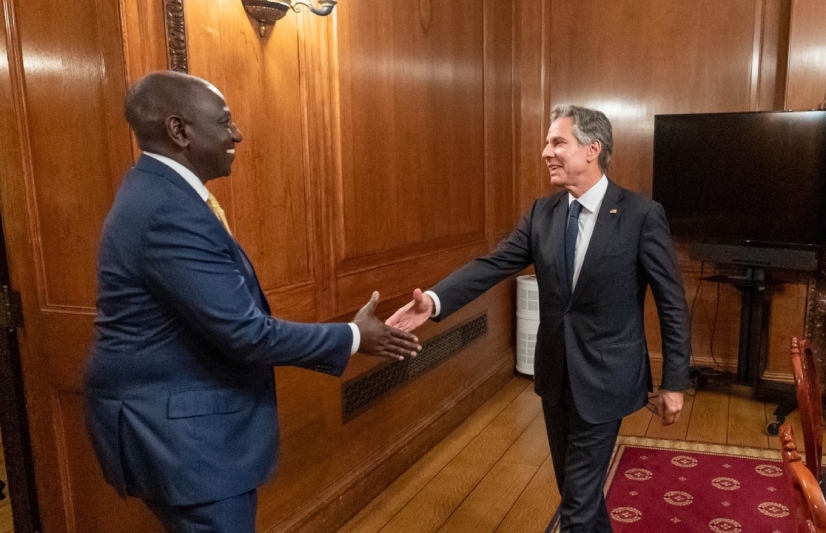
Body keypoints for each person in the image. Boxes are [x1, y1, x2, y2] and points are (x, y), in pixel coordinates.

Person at [83, 70, 421, 533]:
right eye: (224, 122)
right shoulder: (166, 210)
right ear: (179, 130)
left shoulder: (161, 192)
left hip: (184, 430)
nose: (236, 133)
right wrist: (354, 335)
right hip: (185, 440)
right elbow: (244, 332)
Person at [387, 105, 690, 533]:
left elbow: (672, 302)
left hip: (608, 377)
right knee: (574, 490)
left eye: (557, 142)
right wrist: (433, 301)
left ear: (592, 150)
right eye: (547, 142)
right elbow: (493, 264)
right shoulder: (542, 213)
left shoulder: (641, 215)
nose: (545, 151)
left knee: (578, 508)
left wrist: (675, 381)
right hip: (555, 376)